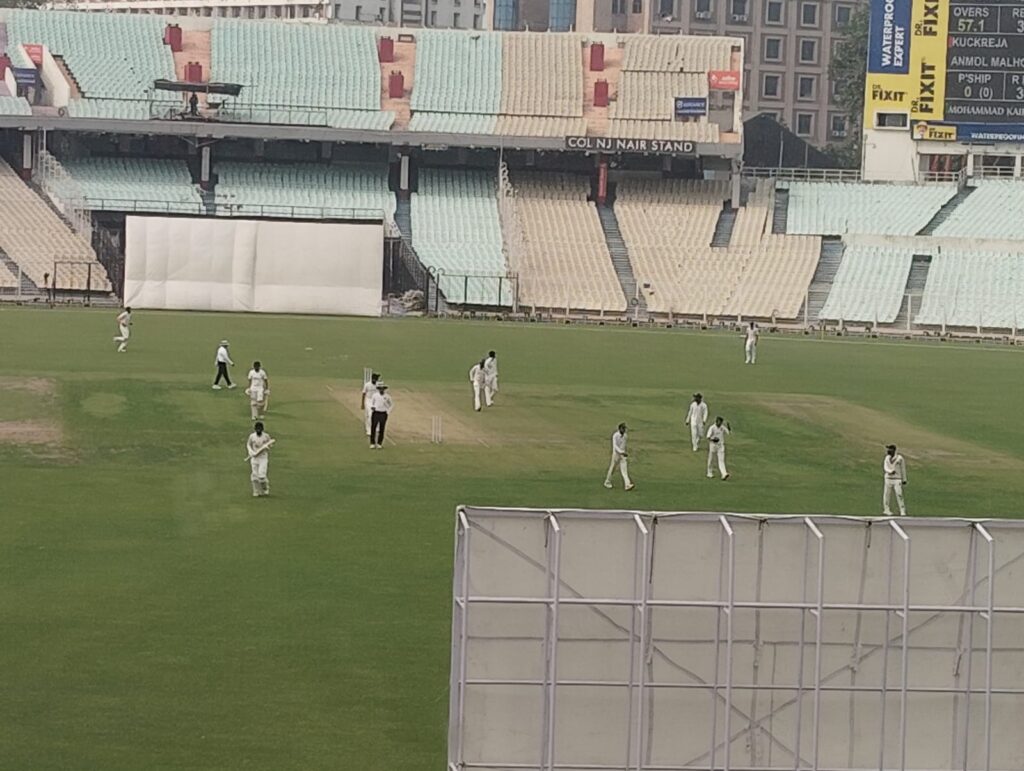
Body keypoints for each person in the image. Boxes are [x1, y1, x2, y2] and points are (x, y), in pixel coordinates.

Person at [604, 422, 635, 491]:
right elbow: (615, 446)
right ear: (620, 428)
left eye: (625, 428)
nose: (624, 430)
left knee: (624, 470)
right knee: (612, 468)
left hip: (622, 455)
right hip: (616, 455)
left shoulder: (625, 436)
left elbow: (623, 445)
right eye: (623, 428)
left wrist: (624, 453)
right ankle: (607, 482)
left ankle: (627, 485)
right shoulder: (615, 435)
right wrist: (621, 452)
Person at [246, 421, 274, 497]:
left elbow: (270, 444)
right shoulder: (252, 436)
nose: (258, 430)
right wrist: (250, 451)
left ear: (262, 429)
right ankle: (256, 491)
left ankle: (265, 488)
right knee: (255, 476)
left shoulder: (266, 436)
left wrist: (267, 447)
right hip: (254, 458)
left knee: (262, 476)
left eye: (260, 429)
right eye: (257, 429)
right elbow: (248, 444)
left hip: (263, 458)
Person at [883, 444, 908, 516]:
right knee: (886, 494)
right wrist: (890, 471)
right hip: (888, 478)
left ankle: (902, 510)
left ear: (894, 450)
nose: (888, 451)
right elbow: (885, 467)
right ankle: (886, 509)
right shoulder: (887, 458)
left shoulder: (899, 458)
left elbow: (903, 469)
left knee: (899, 494)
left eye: (890, 449)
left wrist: (904, 479)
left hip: (897, 479)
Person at [369, 382, 393, 449]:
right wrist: (372, 407)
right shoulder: (375, 395)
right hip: (376, 413)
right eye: (380, 389)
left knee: (382, 428)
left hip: (383, 413)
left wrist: (388, 411)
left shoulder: (387, 396)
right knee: (373, 427)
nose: (381, 390)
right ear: (379, 389)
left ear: (384, 389)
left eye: (382, 389)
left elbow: (391, 404)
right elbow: (372, 402)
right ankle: (372, 443)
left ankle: (379, 443)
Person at [706, 416, 731, 480]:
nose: (720, 424)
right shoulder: (712, 427)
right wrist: (713, 439)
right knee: (711, 459)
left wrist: (728, 427)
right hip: (713, 446)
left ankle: (724, 474)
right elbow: (708, 437)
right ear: (716, 421)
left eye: (721, 422)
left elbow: (728, 432)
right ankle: (709, 472)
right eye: (719, 422)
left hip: (720, 446)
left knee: (721, 460)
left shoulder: (722, 427)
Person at [361, 372, 381, 436]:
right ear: (373, 379)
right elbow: (364, 393)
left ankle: (377, 428)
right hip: (369, 400)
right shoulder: (367, 385)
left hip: (376, 401)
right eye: (376, 379)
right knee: (369, 415)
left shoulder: (378, 385)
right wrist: (362, 404)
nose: (376, 380)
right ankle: (369, 430)